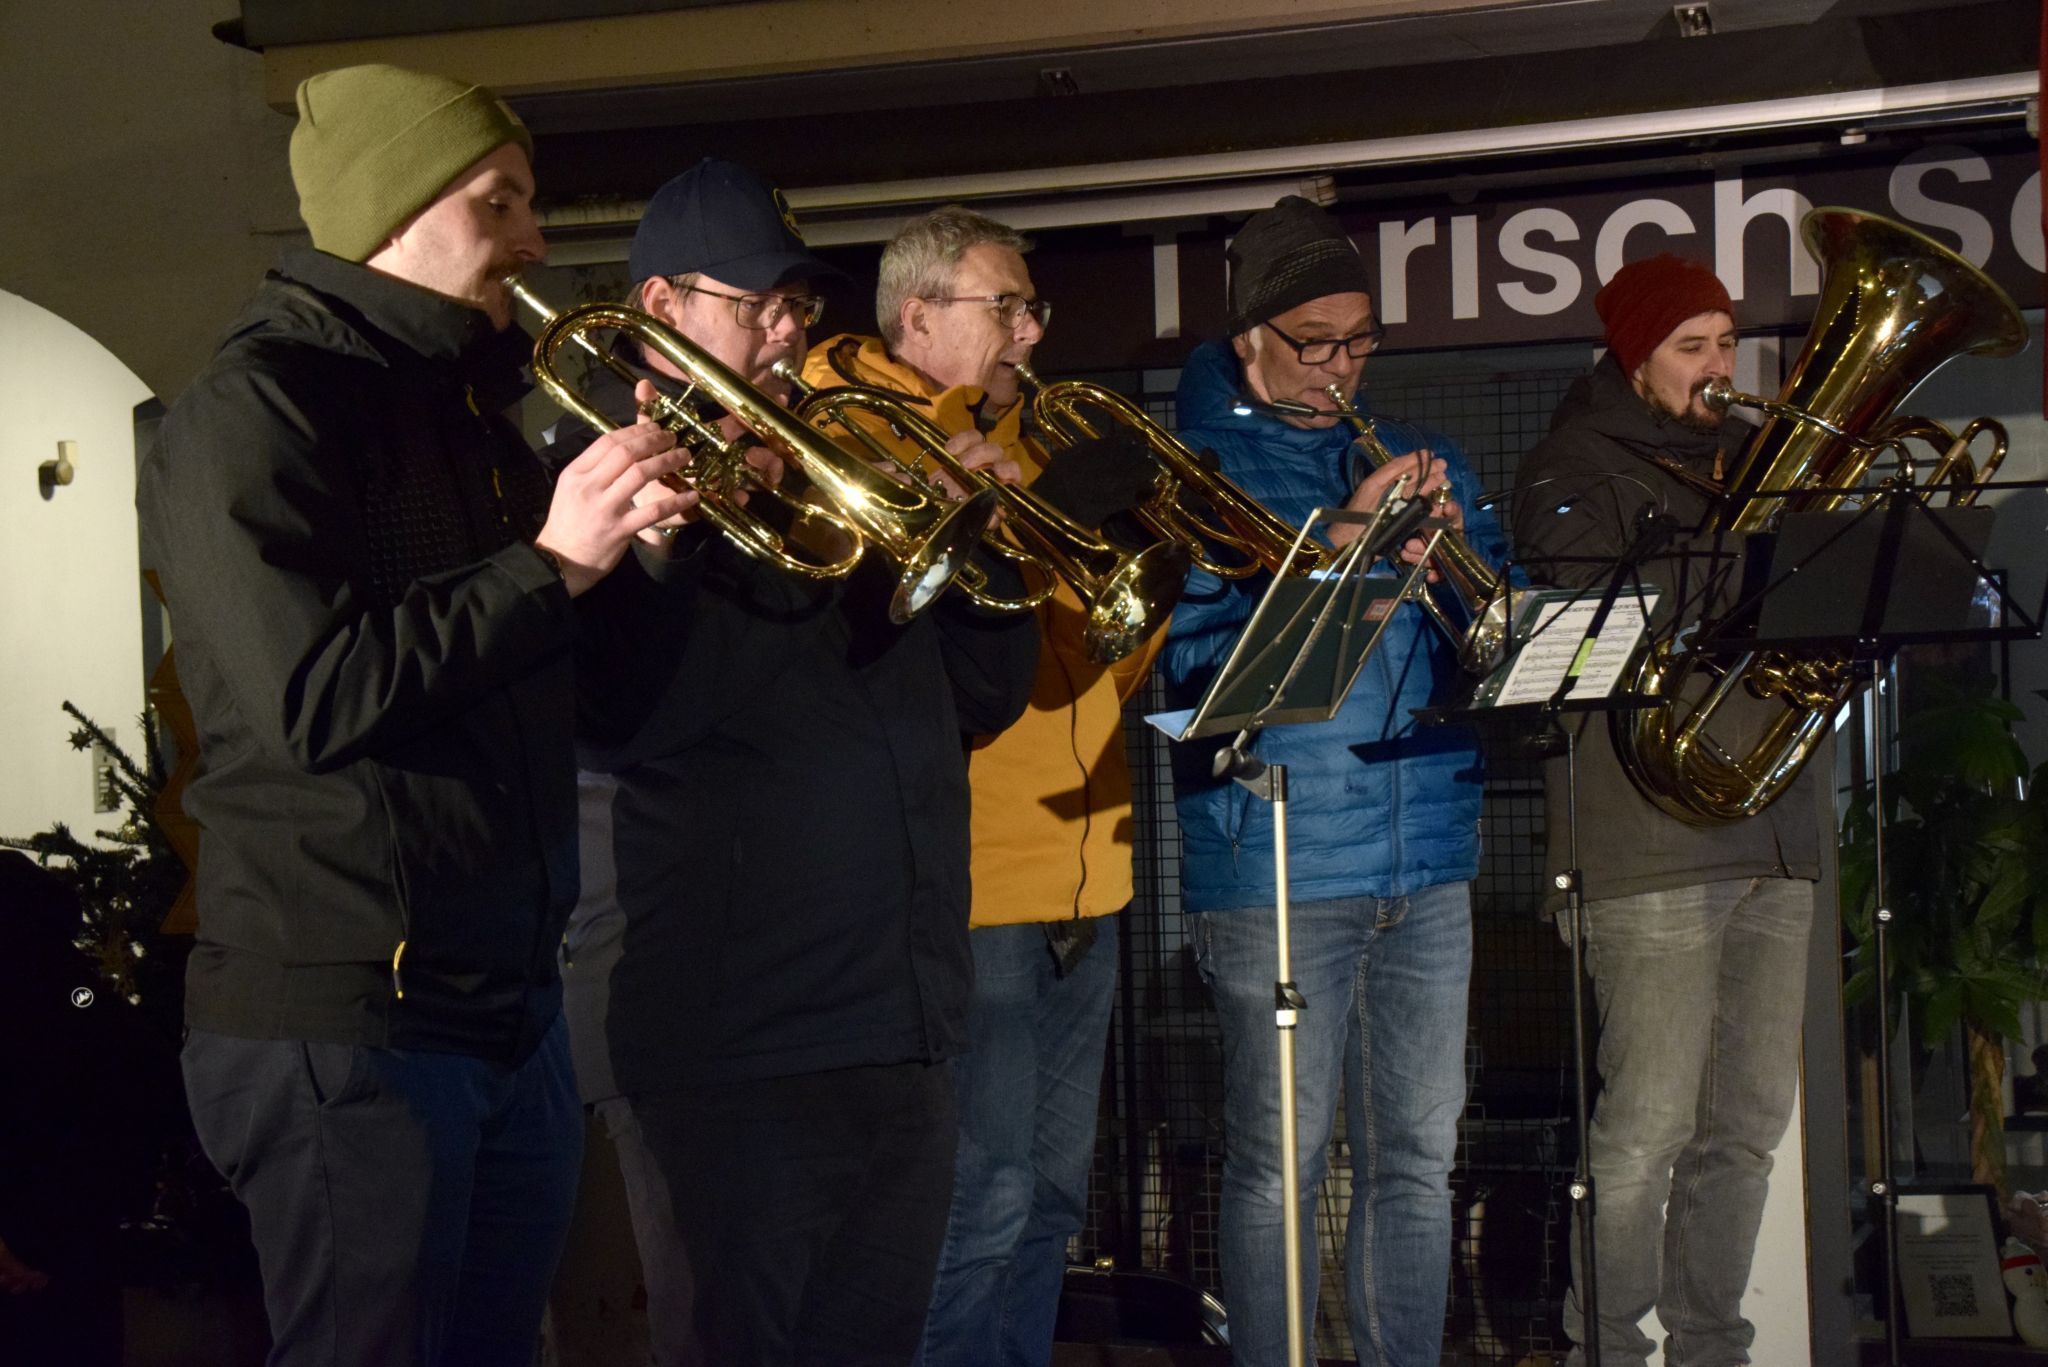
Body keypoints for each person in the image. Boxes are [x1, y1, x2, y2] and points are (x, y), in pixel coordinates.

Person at [135, 63, 689, 1366]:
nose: (537, 241)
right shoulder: (247, 410)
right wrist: (551, 562)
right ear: (397, 216)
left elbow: (603, 700)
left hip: (509, 998)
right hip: (350, 1014)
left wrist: (653, 548)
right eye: (501, 202)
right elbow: (308, 698)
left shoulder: (478, 409)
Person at [554, 161, 1042, 1367]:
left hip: (899, 1016)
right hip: (737, 1044)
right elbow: (627, 722)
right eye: (759, 304)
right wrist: (701, 537)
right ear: (661, 309)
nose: (786, 334)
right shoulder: (603, 474)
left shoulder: (836, 454)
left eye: (797, 310)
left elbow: (974, 704)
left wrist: (971, 549)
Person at [802, 205, 1173, 1367]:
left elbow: (1090, 677)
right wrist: (976, 516)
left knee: (1051, 1206)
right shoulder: (858, 439)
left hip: (1084, 882)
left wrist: (1127, 559)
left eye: (1030, 307)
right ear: (918, 316)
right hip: (973, 889)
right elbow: (910, 675)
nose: (1027, 332)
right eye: (1002, 306)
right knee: (977, 1208)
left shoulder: (1031, 437)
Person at [1159, 194, 1510, 1367]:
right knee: (1279, 1162)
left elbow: (1495, 643)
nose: (1341, 366)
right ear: (1248, 336)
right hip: (1278, 861)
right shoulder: (1194, 472)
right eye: (1314, 341)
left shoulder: (1425, 454)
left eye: (1359, 339)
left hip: (1429, 860)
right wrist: (1350, 550)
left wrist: (1462, 576)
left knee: (1416, 1156)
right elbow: (1196, 673)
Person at [1509, 254, 1823, 1367]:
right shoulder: (1568, 462)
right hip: (1645, 835)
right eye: (1689, 348)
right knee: (1643, 1128)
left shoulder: (1759, 463)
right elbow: (1600, 607)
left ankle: (1710, 1347)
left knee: (1742, 1128)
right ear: (1633, 358)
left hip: (1772, 827)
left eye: (1723, 343)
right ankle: (1604, 1343)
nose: (1715, 368)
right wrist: (1757, 538)